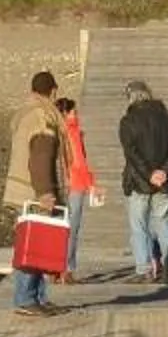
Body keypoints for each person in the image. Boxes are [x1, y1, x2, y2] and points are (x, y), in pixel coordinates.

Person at [3, 69, 66, 316]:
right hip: (32, 190)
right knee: (32, 246)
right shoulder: (43, 118)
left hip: (18, 187)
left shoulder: (24, 114)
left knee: (33, 244)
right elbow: (41, 158)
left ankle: (37, 296)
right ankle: (26, 298)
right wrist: (45, 193)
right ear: (53, 91)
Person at [117, 79, 168, 286]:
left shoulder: (128, 121)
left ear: (130, 97)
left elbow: (131, 153)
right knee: (163, 221)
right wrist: (164, 171)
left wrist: (149, 174)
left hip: (139, 181)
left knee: (139, 225)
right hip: (165, 182)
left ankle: (144, 269)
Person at [54, 95, 102, 283]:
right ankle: (67, 269)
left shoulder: (55, 130)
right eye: (74, 111)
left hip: (59, 182)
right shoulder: (72, 130)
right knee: (72, 228)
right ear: (66, 113)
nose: (77, 115)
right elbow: (80, 162)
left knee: (58, 227)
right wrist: (91, 185)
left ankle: (55, 268)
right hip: (75, 183)